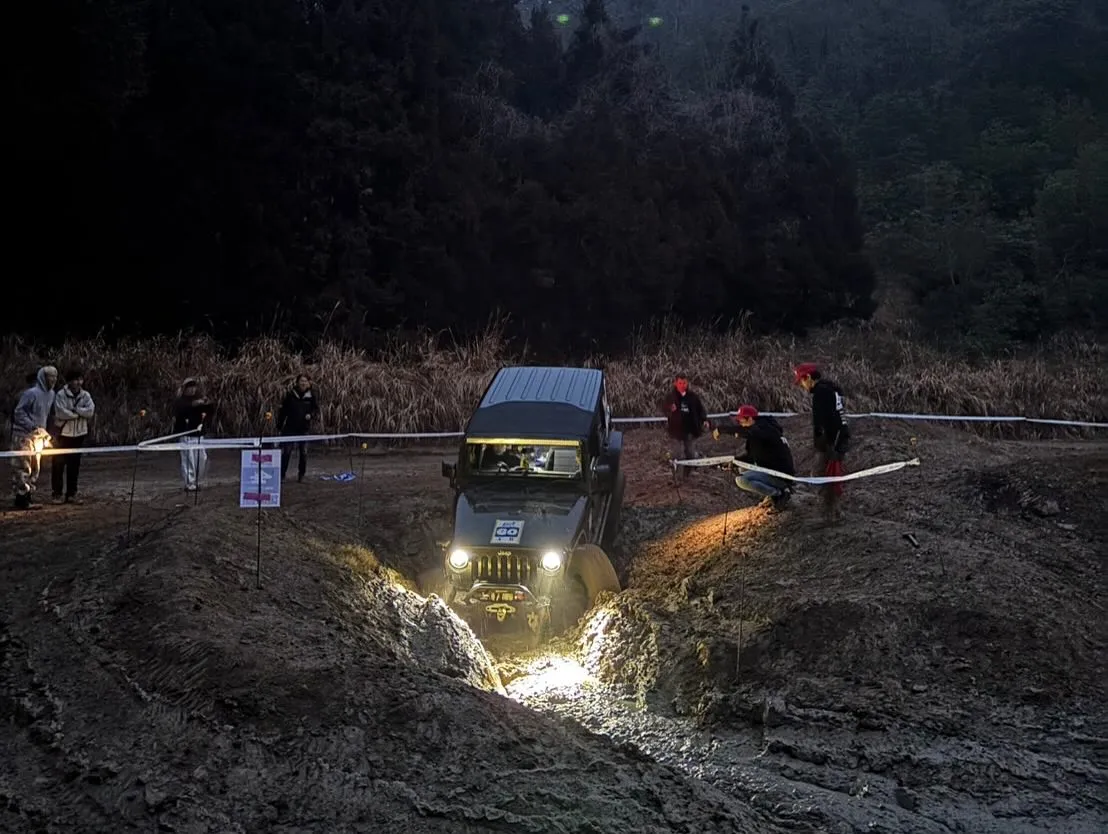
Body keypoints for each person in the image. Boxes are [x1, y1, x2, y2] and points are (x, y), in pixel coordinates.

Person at [794, 363, 851, 522]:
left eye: (802, 381)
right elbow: (839, 416)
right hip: (840, 437)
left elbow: (822, 422)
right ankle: (835, 512)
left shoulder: (821, 393)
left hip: (831, 441)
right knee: (831, 476)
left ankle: (828, 514)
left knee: (822, 475)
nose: (802, 386)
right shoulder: (832, 390)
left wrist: (824, 443)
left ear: (809, 378)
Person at [713, 405, 795, 510]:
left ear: (750, 419)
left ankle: (778, 494)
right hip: (771, 471)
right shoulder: (760, 433)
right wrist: (733, 461)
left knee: (742, 480)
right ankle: (773, 493)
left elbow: (748, 432)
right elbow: (751, 458)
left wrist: (723, 430)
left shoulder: (764, 431)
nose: (741, 425)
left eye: (742, 421)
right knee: (741, 469)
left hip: (780, 476)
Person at [9, 365, 58, 510]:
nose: (53, 379)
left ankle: (28, 496)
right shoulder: (31, 394)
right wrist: (32, 426)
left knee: (35, 467)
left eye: (55, 376)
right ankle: (21, 497)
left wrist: (45, 432)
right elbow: (19, 412)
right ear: (43, 377)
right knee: (22, 466)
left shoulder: (51, 394)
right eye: (50, 376)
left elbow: (47, 414)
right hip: (24, 435)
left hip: (38, 436)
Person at [50, 367, 95, 504]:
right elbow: (60, 412)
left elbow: (90, 411)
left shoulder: (86, 395)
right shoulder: (60, 395)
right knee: (58, 464)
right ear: (69, 381)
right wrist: (78, 414)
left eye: (80, 379)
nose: (78, 382)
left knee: (74, 465)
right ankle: (57, 494)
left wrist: (75, 411)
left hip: (79, 435)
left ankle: (71, 494)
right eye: (76, 380)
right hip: (63, 434)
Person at [660, 374, 709, 479]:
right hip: (676, 430)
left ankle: (687, 474)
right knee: (677, 454)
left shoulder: (693, 397)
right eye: (680, 383)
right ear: (675, 383)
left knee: (690, 454)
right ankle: (676, 477)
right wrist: (669, 408)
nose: (682, 385)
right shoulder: (671, 397)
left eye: (684, 383)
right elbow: (663, 408)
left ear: (687, 383)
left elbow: (701, 410)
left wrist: (705, 420)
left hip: (690, 429)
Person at [276, 373, 320, 482]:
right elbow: (283, 411)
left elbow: (315, 410)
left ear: (309, 383)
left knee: (303, 453)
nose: (303, 383)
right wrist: (279, 425)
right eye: (301, 381)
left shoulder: (311, 396)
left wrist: (311, 415)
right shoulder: (290, 394)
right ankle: (282, 475)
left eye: (305, 381)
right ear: (297, 382)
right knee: (286, 452)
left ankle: (301, 475)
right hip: (290, 428)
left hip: (304, 428)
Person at [173, 378, 212, 491]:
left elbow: (208, 410)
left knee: (202, 458)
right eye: (190, 387)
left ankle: (198, 481)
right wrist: (194, 404)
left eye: (194, 386)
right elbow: (181, 409)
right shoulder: (180, 401)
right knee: (188, 459)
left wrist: (205, 403)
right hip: (186, 434)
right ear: (185, 389)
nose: (192, 389)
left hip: (199, 434)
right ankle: (190, 483)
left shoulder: (199, 399)